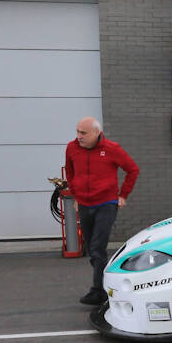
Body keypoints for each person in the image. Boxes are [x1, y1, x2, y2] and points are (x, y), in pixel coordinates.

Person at [66, 117, 139, 305]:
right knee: (92, 249)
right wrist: (76, 196)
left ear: (96, 133)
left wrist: (123, 195)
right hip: (84, 204)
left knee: (98, 248)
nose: (79, 136)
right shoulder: (72, 148)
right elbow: (70, 172)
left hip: (106, 204)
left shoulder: (111, 148)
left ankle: (98, 291)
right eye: (77, 131)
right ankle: (106, 285)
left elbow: (132, 169)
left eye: (83, 133)